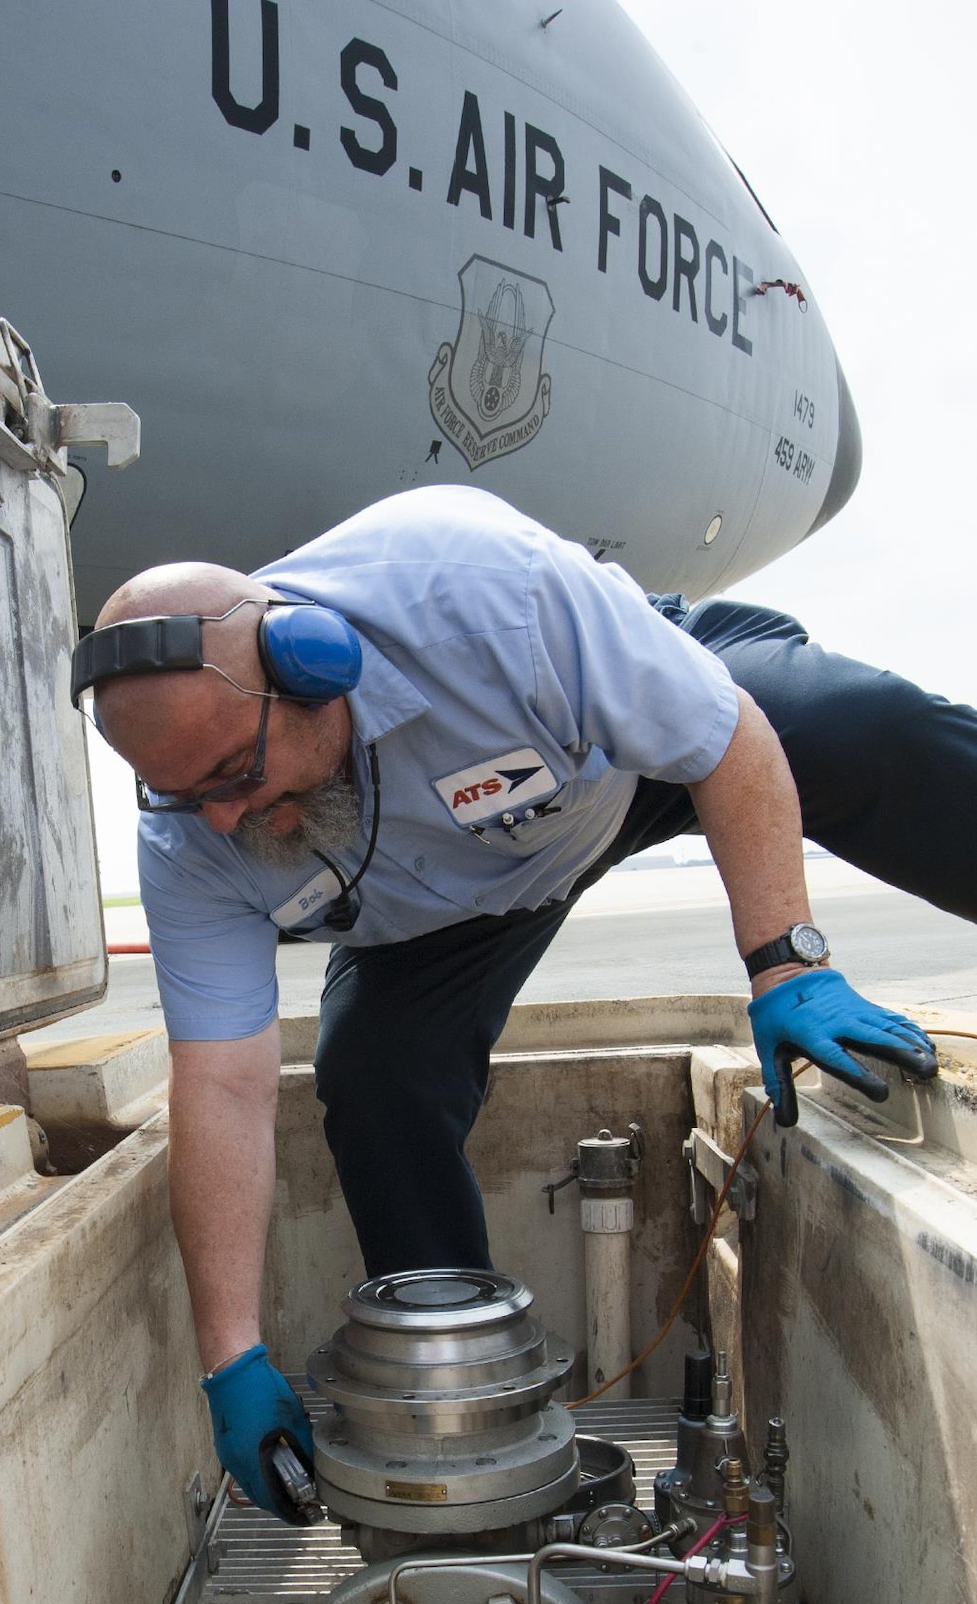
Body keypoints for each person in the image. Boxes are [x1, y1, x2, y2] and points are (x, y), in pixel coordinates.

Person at [70, 487, 963, 1518]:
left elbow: (724, 740)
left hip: (623, 765)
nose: (223, 816)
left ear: (313, 669)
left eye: (233, 770)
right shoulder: (194, 837)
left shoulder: (479, 590)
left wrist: (787, 962)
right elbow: (222, 1085)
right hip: (447, 918)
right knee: (374, 1080)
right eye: (183, 794)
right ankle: (471, 1439)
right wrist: (230, 1357)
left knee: (869, 728)